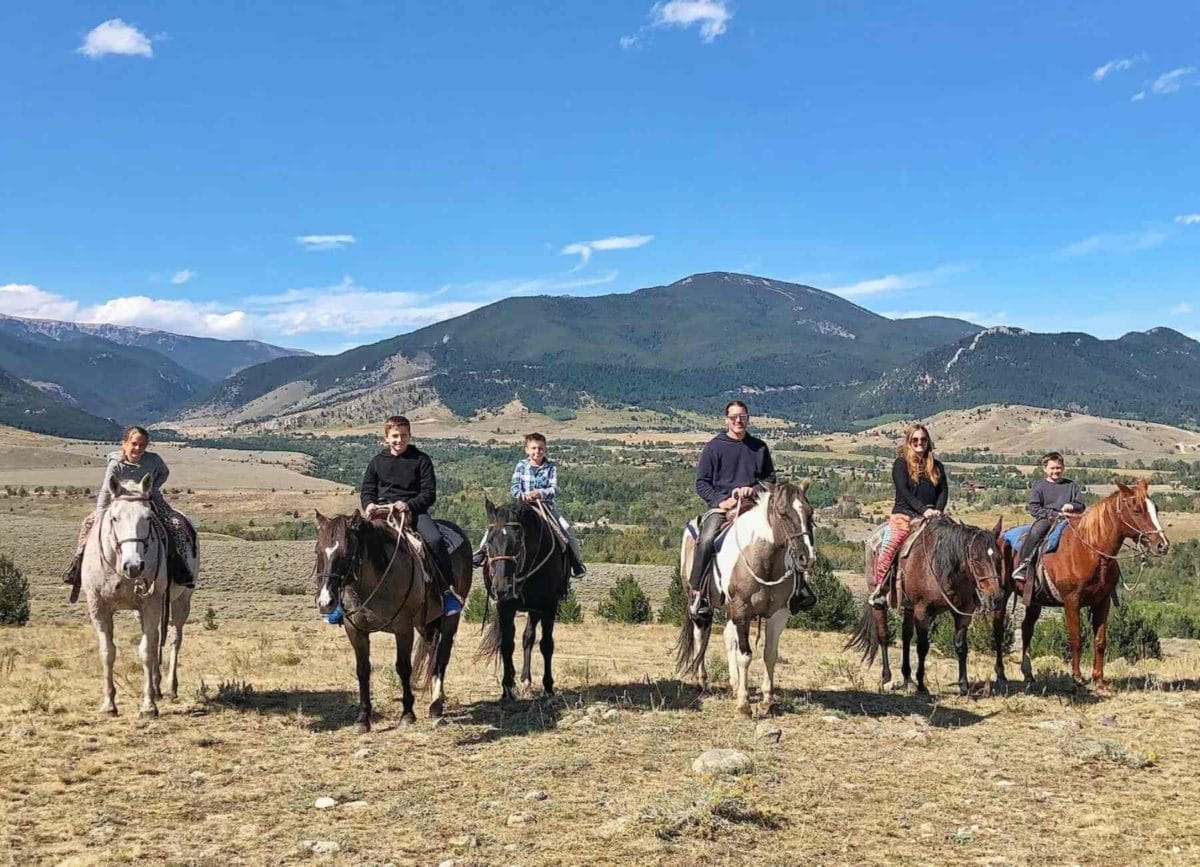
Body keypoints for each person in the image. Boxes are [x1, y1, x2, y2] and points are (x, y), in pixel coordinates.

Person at [62, 425, 195, 596]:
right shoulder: (116, 464)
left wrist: (152, 488)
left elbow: (164, 473)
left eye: (142, 445)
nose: (138, 448)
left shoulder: (153, 460)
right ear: (124, 443)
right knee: (88, 524)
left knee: (175, 524)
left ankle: (180, 566)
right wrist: (101, 515)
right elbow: (105, 490)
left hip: (148, 499)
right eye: (134, 444)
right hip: (120, 502)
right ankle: (77, 564)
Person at [359, 415, 460, 617]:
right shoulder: (377, 462)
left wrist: (408, 505)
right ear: (386, 437)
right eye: (395, 436)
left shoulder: (421, 460)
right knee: (354, 543)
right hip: (383, 512)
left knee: (435, 540)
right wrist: (369, 505)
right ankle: (341, 598)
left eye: (403, 436)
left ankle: (446, 591)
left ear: (410, 436)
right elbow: (367, 490)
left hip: (414, 511)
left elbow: (429, 494)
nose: (399, 440)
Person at [688, 400, 777, 618]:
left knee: (786, 534)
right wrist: (721, 501)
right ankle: (698, 592)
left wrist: (752, 490)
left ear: (748, 419)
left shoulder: (759, 447)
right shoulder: (713, 447)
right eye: (734, 417)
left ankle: (795, 590)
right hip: (721, 508)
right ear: (726, 420)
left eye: (743, 417)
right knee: (707, 539)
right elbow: (702, 483)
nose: (739, 421)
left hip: (754, 507)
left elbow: (770, 479)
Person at [869, 423, 949, 608]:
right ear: (909, 442)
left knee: (958, 544)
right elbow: (904, 492)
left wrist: (938, 510)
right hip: (904, 516)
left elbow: (943, 492)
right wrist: (923, 510)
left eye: (923, 439)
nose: (919, 443)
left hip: (933, 517)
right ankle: (881, 589)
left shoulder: (937, 466)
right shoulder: (901, 464)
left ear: (928, 442)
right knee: (890, 546)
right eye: (915, 440)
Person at [507, 432, 586, 578]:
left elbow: (554, 489)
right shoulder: (521, 466)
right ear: (527, 450)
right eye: (534, 448)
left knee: (566, 529)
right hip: (522, 507)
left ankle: (576, 563)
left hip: (545, 507)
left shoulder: (551, 467)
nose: (537, 451)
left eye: (541, 448)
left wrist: (540, 493)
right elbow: (514, 487)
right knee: (499, 526)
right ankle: (482, 552)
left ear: (545, 450)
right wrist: (522, 495)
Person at [1013, 451, 1086, 590]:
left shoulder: (1071, 485)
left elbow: (1081, 505)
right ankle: (1024, 564)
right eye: (1052, 468)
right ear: (1045, 468)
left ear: (1063, 467)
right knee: (1035, 532)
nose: (1056, 471)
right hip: (1048, 519)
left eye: (1058, 467)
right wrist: (1054, 514)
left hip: (1071, 519)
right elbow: (1034, 508)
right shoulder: (1039, 485)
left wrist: (1072, 505)